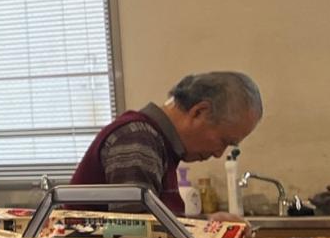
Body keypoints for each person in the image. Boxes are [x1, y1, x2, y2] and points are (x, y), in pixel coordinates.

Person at [70, 72, 264, 213]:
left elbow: (152, 231)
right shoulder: (138, 140)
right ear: (199, 112)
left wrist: (209, 229)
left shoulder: (158, 142)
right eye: (224, 141)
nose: (218, 153)